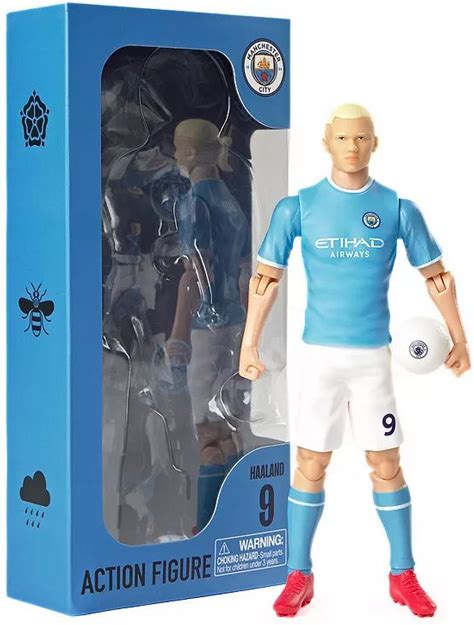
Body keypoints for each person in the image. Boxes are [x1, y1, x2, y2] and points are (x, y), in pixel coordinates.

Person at [239, 103, 470, 618]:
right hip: (320, 358)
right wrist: (248, 343)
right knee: (310, 463)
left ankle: (403, 574)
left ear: (375, 143)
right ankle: (298, 574)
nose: (352, 147)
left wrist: (459, 339)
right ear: (326, 141)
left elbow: (437, 276)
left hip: (372, 361)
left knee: (386, 464)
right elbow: (266, 278)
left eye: (361, 137)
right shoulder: (298, 207)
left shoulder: (397, 208)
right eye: (343, 138)